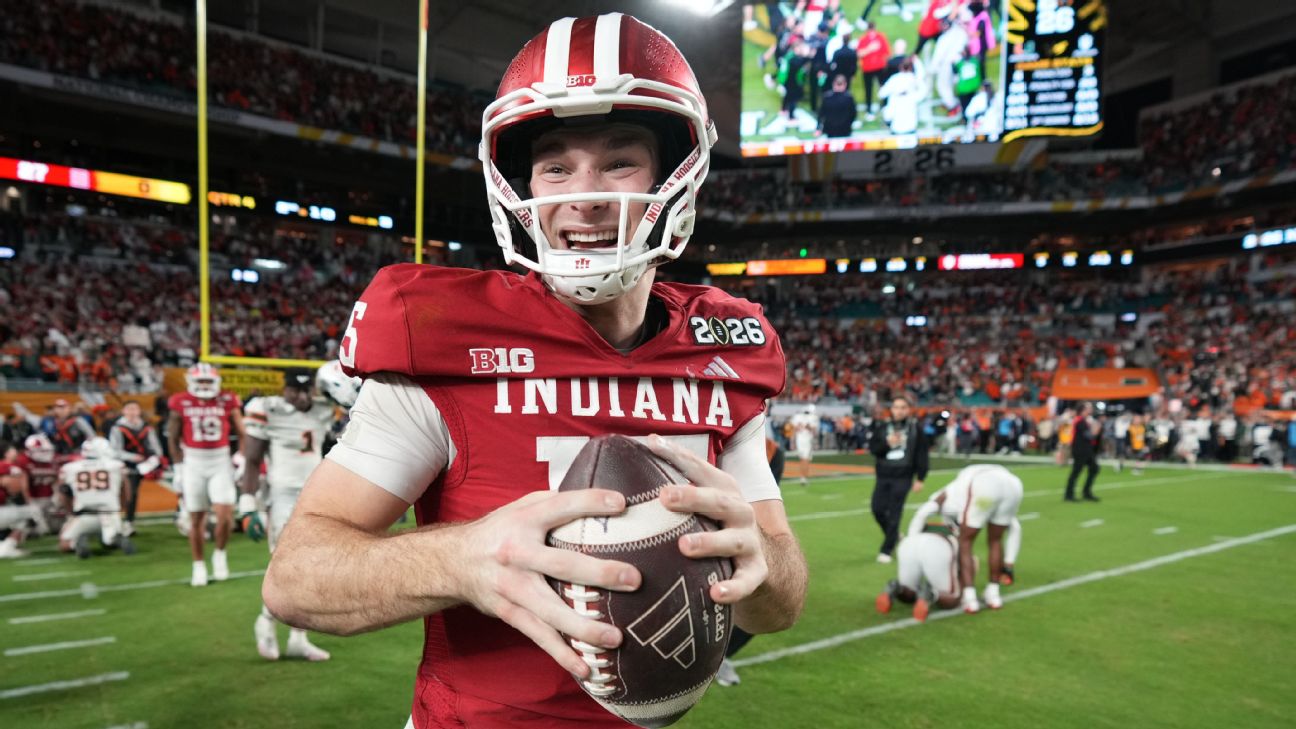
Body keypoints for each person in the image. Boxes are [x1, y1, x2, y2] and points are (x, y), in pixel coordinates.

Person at [263, 14, 809, 729]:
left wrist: (759, 561)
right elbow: (295, 578)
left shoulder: (723, 350)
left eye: (619, 161)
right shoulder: (444, 333)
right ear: (520, 186)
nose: (584, 195)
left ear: (677, 176)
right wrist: (463, 558)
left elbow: (780, 604)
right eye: (555, 166)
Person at [241, 366, 355, 662]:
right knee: (287, 567)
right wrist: (247, 504)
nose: (302, 397)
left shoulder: (323, 408)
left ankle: (297, 638)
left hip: (315, 492)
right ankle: (266, 621)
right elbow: (252, 459)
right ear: (285, 389)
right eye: (296, 390)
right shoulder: (267, 409)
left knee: (312, 567)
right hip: (281, 496)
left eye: (306, 390)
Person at [887, 463, 1024, 617]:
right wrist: (1009, 564)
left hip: (984, 485)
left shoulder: (946, 494)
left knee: (965, 541)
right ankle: (993, 593)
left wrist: (911, 541)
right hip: (1014, 485)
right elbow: (1015, 528)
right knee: (995, 540)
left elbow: (923, 512)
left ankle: (969, 597)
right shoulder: (961, 491)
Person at [167, 363, 244, 586]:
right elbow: (172, 436)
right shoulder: (180, 401)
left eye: (208, 381)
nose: (204, 385)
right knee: (196, 518)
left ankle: (220, 554)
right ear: (191, 382)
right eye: (200, 381)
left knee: (225, 516)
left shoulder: (227, 399)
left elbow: (242, 432)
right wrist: (178, 467)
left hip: (220, 461)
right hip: (193, 462)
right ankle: (198, 565)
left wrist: (241, 457)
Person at [868, 395, 929, 563]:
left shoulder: (916, 429)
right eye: (896, 407)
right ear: (891, 409)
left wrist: (920, 478)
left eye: (903, 407)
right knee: (877, 509)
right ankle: (894, 535)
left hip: (903, 476)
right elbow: (873, 449)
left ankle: (886, 549)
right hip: (883, 475)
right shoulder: (882, 427)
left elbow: (922, 454)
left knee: (895, 512)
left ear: (908, 410)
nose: (899, 411)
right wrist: (887, 443)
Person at [57, 437, 135, 558]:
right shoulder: (116, 466)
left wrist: (70, 512)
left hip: (84, 514)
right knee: (109, 539)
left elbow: (63, 493)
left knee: (65, 544)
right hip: (110, 514)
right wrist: (122, 508)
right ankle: (114, 539)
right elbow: (127, 491)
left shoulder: (69, 468)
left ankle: (76, 544)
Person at [108, 400, 164, 536]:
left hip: (145, 464)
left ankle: (129, 522)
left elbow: (156, 447)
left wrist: (155, 458)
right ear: (123, 411)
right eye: (129, 409)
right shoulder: (117, 428)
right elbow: (114, 451)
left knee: (133, 493)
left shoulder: (147, 427)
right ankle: (118, 521)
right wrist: (133, 457)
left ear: (139, 411)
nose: (132, 412)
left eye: (135, 409)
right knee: (126, 493)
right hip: (125, 465)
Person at [1064, 402, 1101, 502]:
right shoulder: (1080, 421)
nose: (1090, 410)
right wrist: (1096, 430)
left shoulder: (1082, 421)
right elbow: (1089, 436)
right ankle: (1069, 494)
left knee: (1094, 468)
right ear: (1082, 410)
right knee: (1076, 472)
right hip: (1081, 451)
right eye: (1088, 408)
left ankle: (1086, 492)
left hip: (1085, 450)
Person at [854, 20, 889, 119]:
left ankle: (884, 105)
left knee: (882, 87)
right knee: (868, 89)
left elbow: (886, 52)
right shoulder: (863, 40)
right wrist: (870, 49)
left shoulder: (880, 37)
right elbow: (859, 54)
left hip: (880, 67)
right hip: (867, 68)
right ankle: (868, 109)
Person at [791, 405, 819, 485]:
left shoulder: (798, 417)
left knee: (803, 459)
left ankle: (803, 478)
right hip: (806, 440)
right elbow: (814, 432)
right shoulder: (813, 417)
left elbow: (794, 429)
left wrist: (792, 442)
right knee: (805, 459)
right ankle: (804, 478)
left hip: (800, 440)